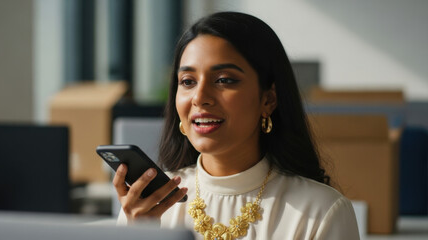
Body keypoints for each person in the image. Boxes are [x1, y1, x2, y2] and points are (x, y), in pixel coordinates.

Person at [114, 11, 360, 240]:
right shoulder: (147, 204)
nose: (200, 97)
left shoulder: (321, 212)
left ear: (268, 99)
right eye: (188, 81)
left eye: (224, 80)